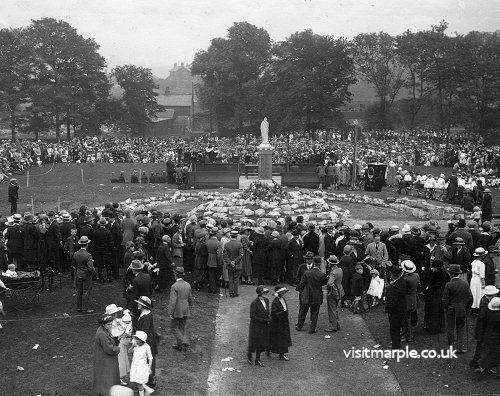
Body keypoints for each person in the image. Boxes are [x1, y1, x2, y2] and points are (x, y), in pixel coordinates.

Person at [442, 264, 473, 353]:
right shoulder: (465, 284)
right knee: (460, 328)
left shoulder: (449, 284)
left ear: (452, 274)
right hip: (461, 309)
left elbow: (444, 299)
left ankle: (451, 348)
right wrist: (467, 308)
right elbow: (470, 298)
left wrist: (447, 307)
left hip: (450, 309)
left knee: (450, 329)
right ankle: (459, 347)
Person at [469, 285, 498, 370]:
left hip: (481, 329)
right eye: (495, 294)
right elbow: (482, 318)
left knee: (481, 347)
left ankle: (479, 363)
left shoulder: (484, 300)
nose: (496, 296)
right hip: (482, 330)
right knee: (480, 347)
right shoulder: (485, 304)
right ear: (491, 295)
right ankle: (475, 363)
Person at [296, 256, 326, 333]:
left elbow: (302, 284)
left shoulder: (306, 272)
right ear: (319, 264)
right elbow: (323, 283)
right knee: (315, 312)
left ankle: (299, 326)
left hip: (307, 294)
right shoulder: (321, 274)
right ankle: (312, 329)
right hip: (317, 295)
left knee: (303, 311)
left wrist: (301, 291)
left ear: (313, 262)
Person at [92, 314, 120, 396]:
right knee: (108, 376)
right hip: (106, 359)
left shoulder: (102, 330)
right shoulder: (102, 334)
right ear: (103, 324)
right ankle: (107, 392)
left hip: (102, 357)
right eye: (108, 324)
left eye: (111, 323)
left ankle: (103, 390)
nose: (110, 326)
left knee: (103, 375)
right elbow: (109, 349)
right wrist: (118, 348)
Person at [168, 267, 194, 351]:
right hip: (185, 308)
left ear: (175, 275)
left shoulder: (174, 286)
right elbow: (190, 298)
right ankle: (179, 346)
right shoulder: (187, 284)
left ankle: (182, 341)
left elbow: (173, 301)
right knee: (181, 327)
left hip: (177, 310)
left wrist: (170, 312)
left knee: (173, 327)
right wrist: (190, 305)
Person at [135, 296, 158, 389]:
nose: (137, 304)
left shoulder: (145, 317)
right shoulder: (146, 314)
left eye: (139, 303)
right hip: (149, 342)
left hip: (147, 343)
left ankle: (150, 381)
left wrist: (139, 344)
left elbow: (143, 333)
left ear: (142, 305)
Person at [423, 260, 450, 334]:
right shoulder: (443, 273)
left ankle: (433, 327)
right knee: (438, 310)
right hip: (438, 293)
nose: (432, 268)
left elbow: (436, 284)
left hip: (435, 294)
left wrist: (429, 288)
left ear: (437, 268)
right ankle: (438, 326)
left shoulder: (438, 274)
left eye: (433, 267)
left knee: (433, 310)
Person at [247, 286, 271, 367]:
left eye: (266, 292)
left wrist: (269, 318)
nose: (265, 294)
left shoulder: (267, 301)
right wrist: (264, 320)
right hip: (256, 326)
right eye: (264, 293)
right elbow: (253, 317)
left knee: (261, 342)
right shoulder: (254, 303)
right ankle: (249, 356)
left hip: (264, 326)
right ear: (260, 293)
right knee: (253, 342)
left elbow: (267, 312)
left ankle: (257, 359)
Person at [385, 266, 407, 349]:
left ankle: (395, 345)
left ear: (392, 274)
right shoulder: (402, 282)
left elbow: (392, 301)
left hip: (395, 311)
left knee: (394, 328)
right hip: (402, 308)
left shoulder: (394, 287)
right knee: (397, 328)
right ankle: (396, 344)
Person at [73, 236, 96, 314]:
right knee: (86, 291)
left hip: (78, 273)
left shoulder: (75, 254)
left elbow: (74, 264)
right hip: (86, 275)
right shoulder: (88, 255)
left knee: (79, 291)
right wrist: (93, 273)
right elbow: (91, 268)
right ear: (87, 244)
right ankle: (85, 308)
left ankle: (79, 307)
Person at [478, 296, 500, 375]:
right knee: (496, 353)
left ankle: (484, 365)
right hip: (496, 337)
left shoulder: (488, 313)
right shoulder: (498, 316)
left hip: (488, 334)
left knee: (487, 351)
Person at [269, 285, 292, 361]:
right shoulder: (275, 302)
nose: (283, 294)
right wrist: (282, 314)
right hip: (278, 323)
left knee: (283, 338)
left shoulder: (283, 300)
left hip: (284, 322)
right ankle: (281, 353)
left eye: (283, 292)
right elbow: (274, 313)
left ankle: (282, 353)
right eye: (281, 292)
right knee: (279, 338)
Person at [129, 330, 154, 396]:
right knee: (137, 381)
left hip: (142, 366)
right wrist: (132, 346)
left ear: (141, 340)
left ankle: (143, 393)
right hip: (134, 365)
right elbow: (129, 352)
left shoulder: (147, 347)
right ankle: (147, 390)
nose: (136, 341)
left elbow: (150, 358)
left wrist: (149, 368)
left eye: (137, 339)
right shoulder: (135, 345)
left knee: (139, 382)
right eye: (136, 339)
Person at [401, 260, 420, 342]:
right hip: (414, 298)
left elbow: (402, 290)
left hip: (406, 300)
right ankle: (408, 332)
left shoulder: (405, 279)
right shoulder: (416, 275)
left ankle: (408, 336)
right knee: (410, 317)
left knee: (406, 319)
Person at [325, 255, 343, 332]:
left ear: (330, 264)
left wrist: (331, 287)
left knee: (331, 310)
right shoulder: (340, 270)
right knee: (336, 309)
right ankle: (337, 324)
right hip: (340, 291)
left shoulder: (333, 273)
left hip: (333, 293)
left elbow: (329, 283)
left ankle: (333, 326)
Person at [223, 230, 244, 297]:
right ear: (237, 236)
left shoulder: (227, 244)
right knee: (236, 279)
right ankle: (235, 292)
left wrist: (230, 262)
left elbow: (225, 256)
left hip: (229, 265)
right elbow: (241, 255)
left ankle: (231, 292)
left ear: (230, 236)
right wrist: (235, 261)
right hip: (237, 265)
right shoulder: (239, 244)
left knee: (230, 278)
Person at [470, 247, 487, 314]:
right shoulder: (482, 264)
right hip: (478, 280)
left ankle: (473, 308)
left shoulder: (473, 262)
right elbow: (482, 276)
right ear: (482, 256)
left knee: (473, 293)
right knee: (479, 293)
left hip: (473, 279)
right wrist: (483, 284)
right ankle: (478, 308)